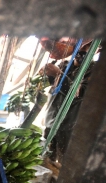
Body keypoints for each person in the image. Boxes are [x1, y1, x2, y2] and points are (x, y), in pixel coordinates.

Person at [41, 38, 97, 166]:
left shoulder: (94, 72)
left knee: (62, 164)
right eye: (80, 46)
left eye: (86, 47)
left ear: (95, 49)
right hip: (51, 121)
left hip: (68, 127)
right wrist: (48, 74)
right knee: (44, 160)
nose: (82, 50)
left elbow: (80, 93)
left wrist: (58, 75)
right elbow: (56, 89)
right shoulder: (64, 65)